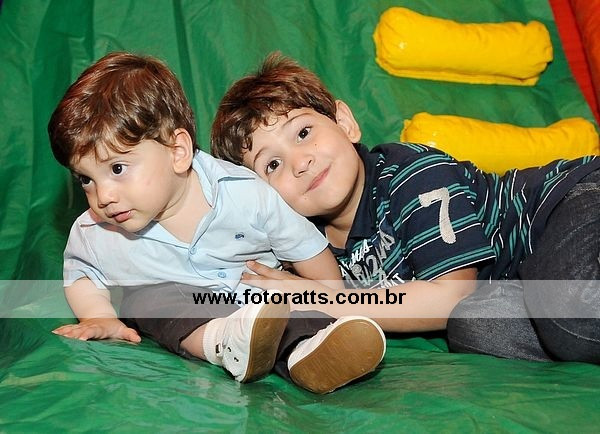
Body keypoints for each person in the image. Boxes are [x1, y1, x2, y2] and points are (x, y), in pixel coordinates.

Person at [210, 52, 600, 363]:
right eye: (272, 165)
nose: (300, 162)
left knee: (568, 313)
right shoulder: (303, 248)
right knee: (476, 327)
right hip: (520, 286)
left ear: (345, 123)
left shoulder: (412, 174)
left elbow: (450, 295)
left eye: (303, 132)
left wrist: (320, 298)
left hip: (572, 201)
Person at [47, 51, 386, 394]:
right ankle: (224, 343)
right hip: (188, 313)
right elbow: (83, 274)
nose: (103, 195)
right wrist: (99, 316)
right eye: (86, 179)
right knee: (145, 299)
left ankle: (309, 355)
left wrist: (328, 299)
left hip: (263, 302)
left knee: (291, 307)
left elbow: (307, 250)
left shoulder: (246, 194)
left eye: (117, 169)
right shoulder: (96, 231)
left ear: (177, 152)